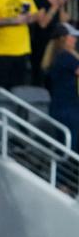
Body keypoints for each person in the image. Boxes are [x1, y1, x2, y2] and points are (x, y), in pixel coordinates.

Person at [43, 23, 79, 151]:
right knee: (71, 148)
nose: (75, 39)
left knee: (65, 147)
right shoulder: (65, 57)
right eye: (72, 37)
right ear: (63, 38)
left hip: (61, 107)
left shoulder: (56, 57)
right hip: (68, 109)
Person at [30, 0, 70, 87]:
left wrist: (61, 6)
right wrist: (55, 6)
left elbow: (63, 21)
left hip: (56, 41)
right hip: (41, 40)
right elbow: (42, 23)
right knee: (39, 72)